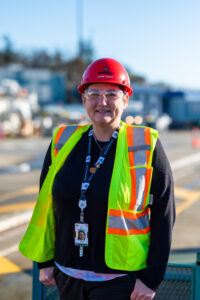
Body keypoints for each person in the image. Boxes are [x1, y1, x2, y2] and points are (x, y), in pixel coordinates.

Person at [19, 58, 175, 300]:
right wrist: (44, 260)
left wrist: (151, 280)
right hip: (66, 274)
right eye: (93, 93)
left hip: (121, 281)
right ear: (83, 99)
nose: (102, 102)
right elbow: (47, 205)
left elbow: (164, 216)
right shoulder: (63, 141)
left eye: (112, 93)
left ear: (126, 99)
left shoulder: (145, 145)